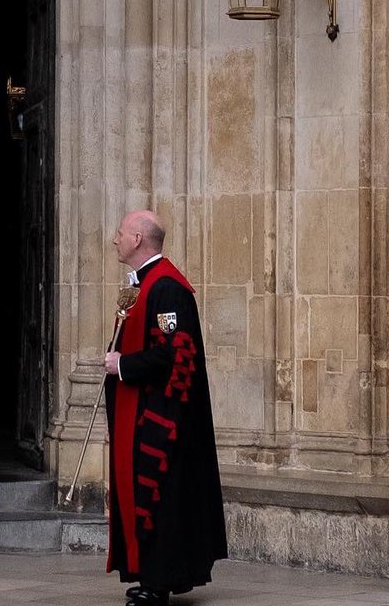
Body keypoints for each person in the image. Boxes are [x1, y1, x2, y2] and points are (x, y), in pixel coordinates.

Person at [103, 210, 227, 606]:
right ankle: (150, 575)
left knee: (159, 499)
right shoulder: (141, 286)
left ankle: (157, 584)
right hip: (138, 412)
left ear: (138, 238)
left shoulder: (168, 288)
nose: (115, 239)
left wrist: (121, 364)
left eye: (121, 233)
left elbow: (174, 356)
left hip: (159, 418)